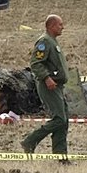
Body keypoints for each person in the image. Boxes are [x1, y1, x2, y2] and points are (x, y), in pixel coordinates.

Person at [20, 15, 70, 158]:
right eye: (60, 24)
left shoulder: (53, 41)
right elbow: (36, 63)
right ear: (51, 26)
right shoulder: (44, 42)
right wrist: (47, 78)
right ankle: (30, 141)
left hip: (58, 86)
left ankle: (60, 155)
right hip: (49, 86)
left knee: (63, 120)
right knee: (59, 119)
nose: (62, 27)